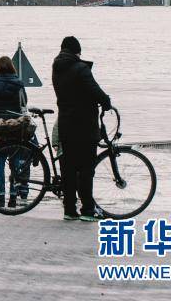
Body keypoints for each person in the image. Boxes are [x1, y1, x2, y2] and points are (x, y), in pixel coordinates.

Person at [52, 36, 111, 222]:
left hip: (65, 125)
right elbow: (94, 90)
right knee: (86, 169)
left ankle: (69, 209)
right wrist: (106, 102)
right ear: (77, 51)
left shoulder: (57, 68)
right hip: (84, 126)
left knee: (68, 169)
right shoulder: (81, 68)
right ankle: (87, 210)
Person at [0, 56, 29, 208]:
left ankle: (0, 197)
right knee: (15, 162)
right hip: (15, 126)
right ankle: (13, 196)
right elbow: (24, 103)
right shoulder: (18, 83)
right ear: (12, 68)